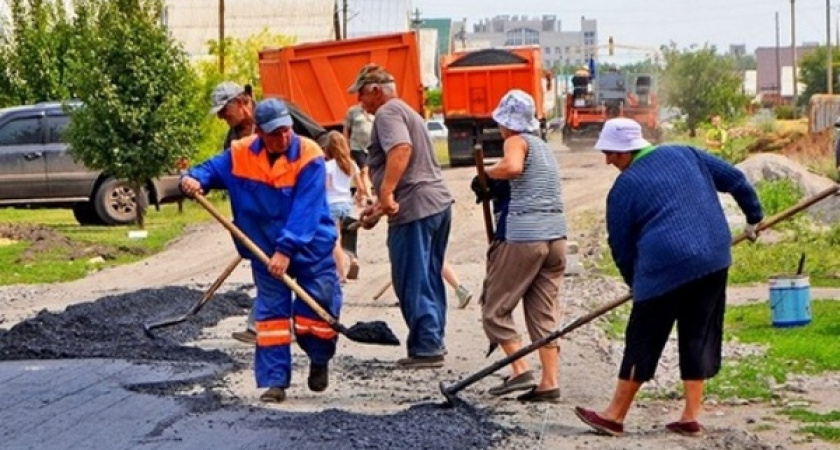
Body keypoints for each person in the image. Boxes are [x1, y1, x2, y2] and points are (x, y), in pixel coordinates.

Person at [573, 117, 763, 436]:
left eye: (611, 154)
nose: (607, 160)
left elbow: (621, 247)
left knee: (643, 338)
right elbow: (736, 180)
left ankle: (614, 416)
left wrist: (637, 284)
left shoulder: (624, 188)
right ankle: (690, 416)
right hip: (714, 259)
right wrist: (754, 217)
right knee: (697, 333)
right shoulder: (687, 153)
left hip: (664, 267)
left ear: (628, 151)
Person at [181, 98, 343, 404]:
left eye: (286, 130)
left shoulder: (309, 155)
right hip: (264, 251)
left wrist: (286, 249)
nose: (282, 138)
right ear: (259, 131)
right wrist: (192, 180)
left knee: (318, 312)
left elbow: (305, 210)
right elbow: (207, 171)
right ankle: (274, 382)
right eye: (274, 133)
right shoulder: (240, 154)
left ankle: (319, 358)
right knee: (271, 318)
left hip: (310, 246)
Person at [353, 63, 454, 369]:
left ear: (375, 90)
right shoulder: (408, 111)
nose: (360, 102)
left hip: (416, 209)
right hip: (435, 203)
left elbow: (401, 149)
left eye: (362, 94)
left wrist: (385, 194)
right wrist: (379, 208)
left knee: (412, 277)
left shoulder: (387, 113)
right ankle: (433, 339)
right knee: (430, 274)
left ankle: (426, 347)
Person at [476, 90, 568, 403]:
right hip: (556, 237)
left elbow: (513, 167)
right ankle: (549, 381)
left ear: (506, 122)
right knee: (543, 312)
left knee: (495, 309)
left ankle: (520, 369)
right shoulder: (544, 148)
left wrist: (486, 174)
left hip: (524, 236)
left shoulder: (515, 140)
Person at [209, 81, 258, 344]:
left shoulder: (278, 116)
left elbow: (323, 140)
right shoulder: (233, 138)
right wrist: (200, 181)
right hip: (252, 217)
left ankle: (262, 325)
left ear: (241, 102)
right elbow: (225, 171)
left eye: (223, 110)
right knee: (267, 271)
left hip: (282, 212)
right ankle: (265, 325)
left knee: (279, 271)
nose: (220, 117)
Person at [323, 130, 367, 283]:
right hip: (347, 204)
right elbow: (361, 187)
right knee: (348, 238)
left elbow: (325, 187)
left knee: (335, 240)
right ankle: (353, 259)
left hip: (331, 204)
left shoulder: (327, 166)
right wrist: (360, 197)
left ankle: (341, 275)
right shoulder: (351, 164)